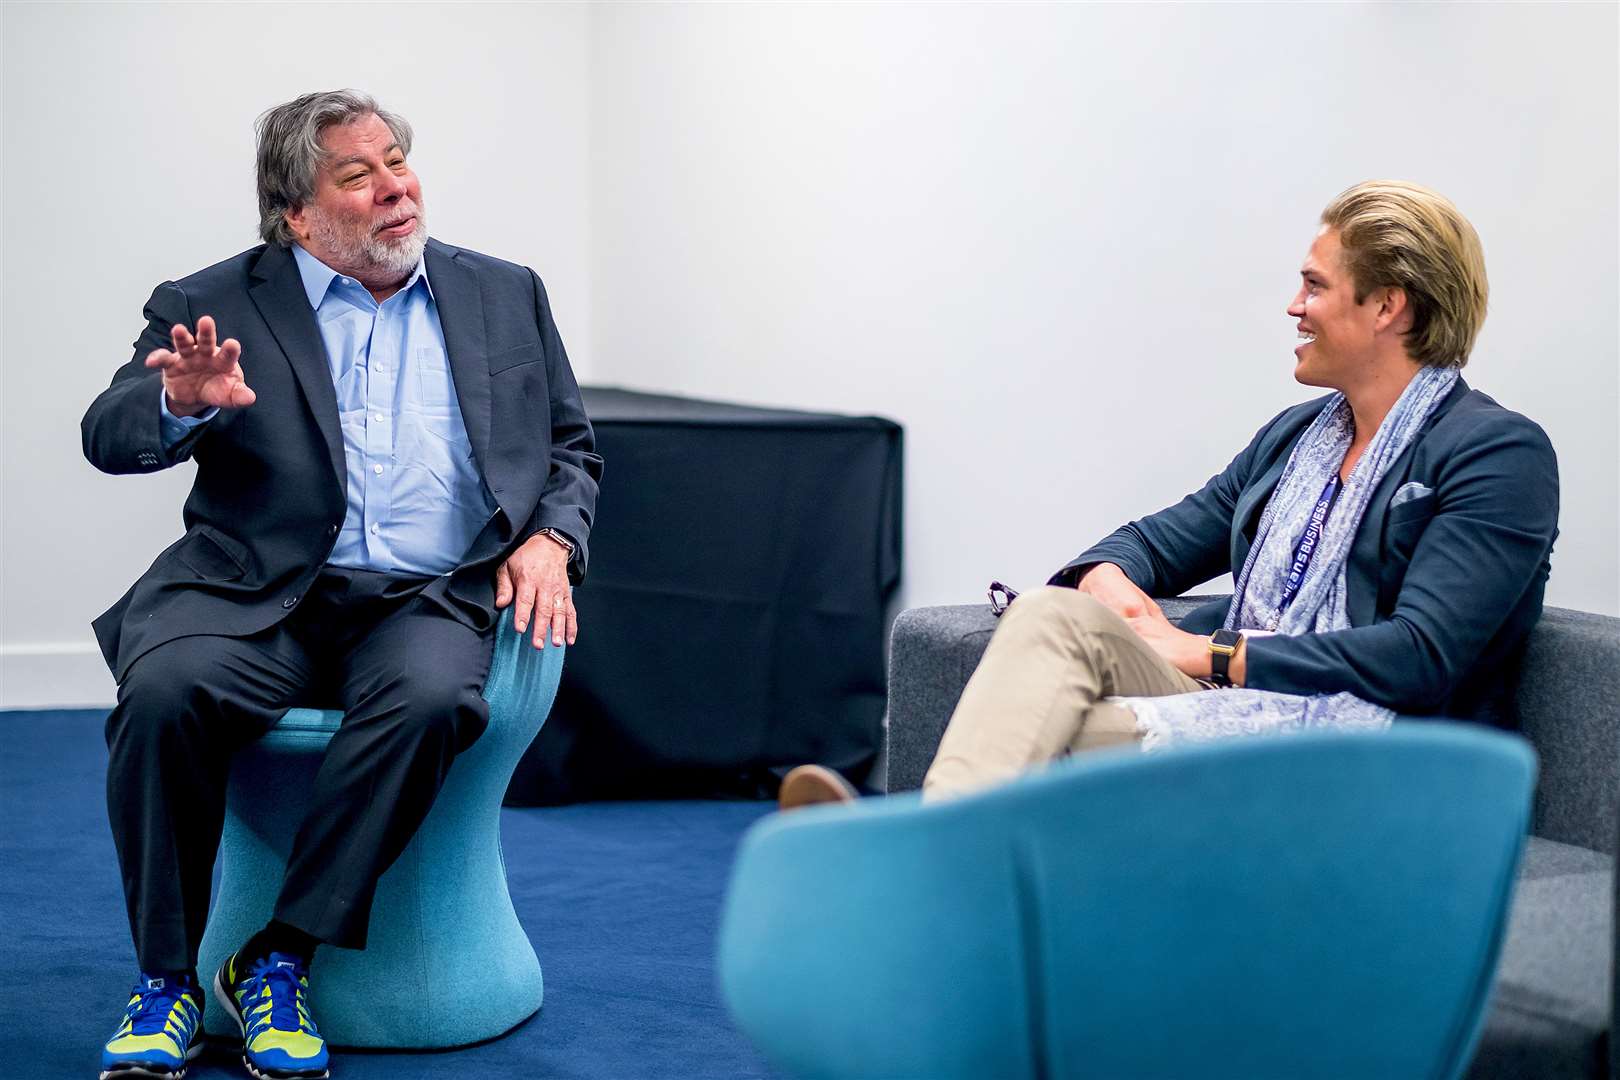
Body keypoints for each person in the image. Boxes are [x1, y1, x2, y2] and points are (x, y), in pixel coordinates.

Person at [84, 89, 601, 1080]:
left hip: (428, 594)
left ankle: (277, 957)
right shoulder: (212, 301)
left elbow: (572, 449)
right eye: (356, 175)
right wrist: (174, 401)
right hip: (256, 591)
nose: (395, 186)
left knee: (434, 699)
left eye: (397, 160)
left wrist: (550, 539)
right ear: (298, 215)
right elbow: (106, 434)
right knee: (160, 696)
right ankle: (167, 985)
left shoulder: (503, 292)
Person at [781, 180, 1558, 809]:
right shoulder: (1297, 439)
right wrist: (1110, 583)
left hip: (1391, 750)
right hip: (1240, 706)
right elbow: (1152, 542)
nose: (1294, 306)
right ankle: (919, 878)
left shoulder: (1495, 454)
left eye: (1315, 286)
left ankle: (904, 874)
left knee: (1067, 736)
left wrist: (1207, 651)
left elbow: (1419, 657)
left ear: (1388, 305)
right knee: (1056, 609)